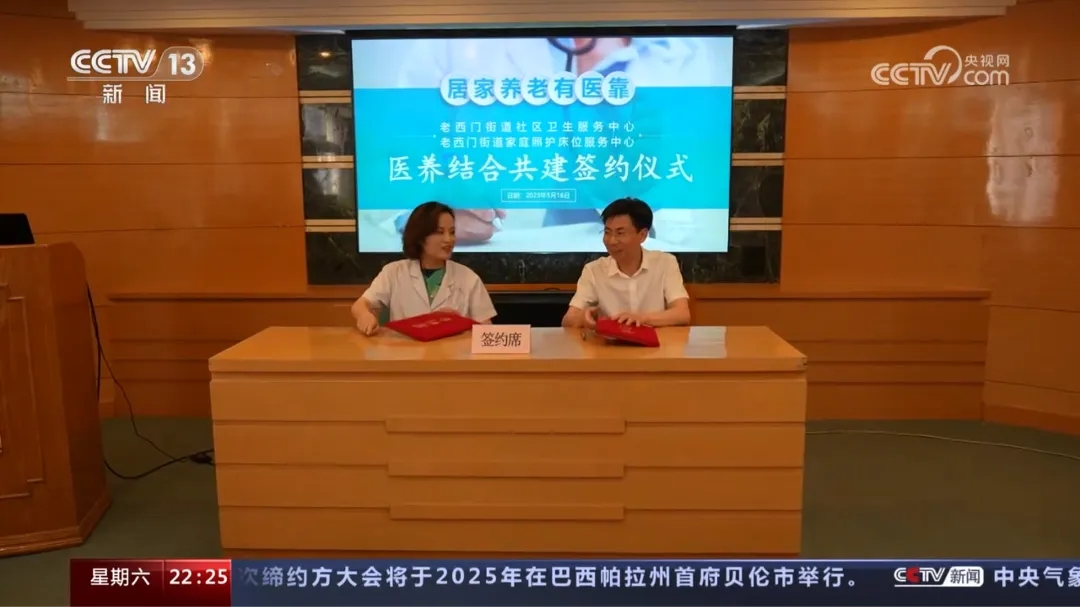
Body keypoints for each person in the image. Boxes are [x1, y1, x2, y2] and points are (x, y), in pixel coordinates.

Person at [384, 37, 718, 244]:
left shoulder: (684, 50)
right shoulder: (453, 42)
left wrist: (641, 190)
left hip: (630, 276)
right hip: (499, 270)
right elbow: (392, 173)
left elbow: (697, 198)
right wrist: (433, 218)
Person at [352, 201, 497, 335]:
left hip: (453, 353)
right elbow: (360, 305)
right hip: (405, 352)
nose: (448, 239)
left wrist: (460, 323)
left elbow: (487, 331)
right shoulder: (393, 272)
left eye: (452, 232)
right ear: (421, 236)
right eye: (440, 232)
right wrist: (365, 316)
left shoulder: (469, 278)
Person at [561, 197, 691, 329]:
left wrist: (643, 318)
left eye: (620, 233)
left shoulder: (665, 263)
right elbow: (567, 320)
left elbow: (682, 314)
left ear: (642, 235)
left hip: (657, 340)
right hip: (609, 341)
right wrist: (583, 318)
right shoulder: (594, 270)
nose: (612, 241)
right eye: (607, 232)